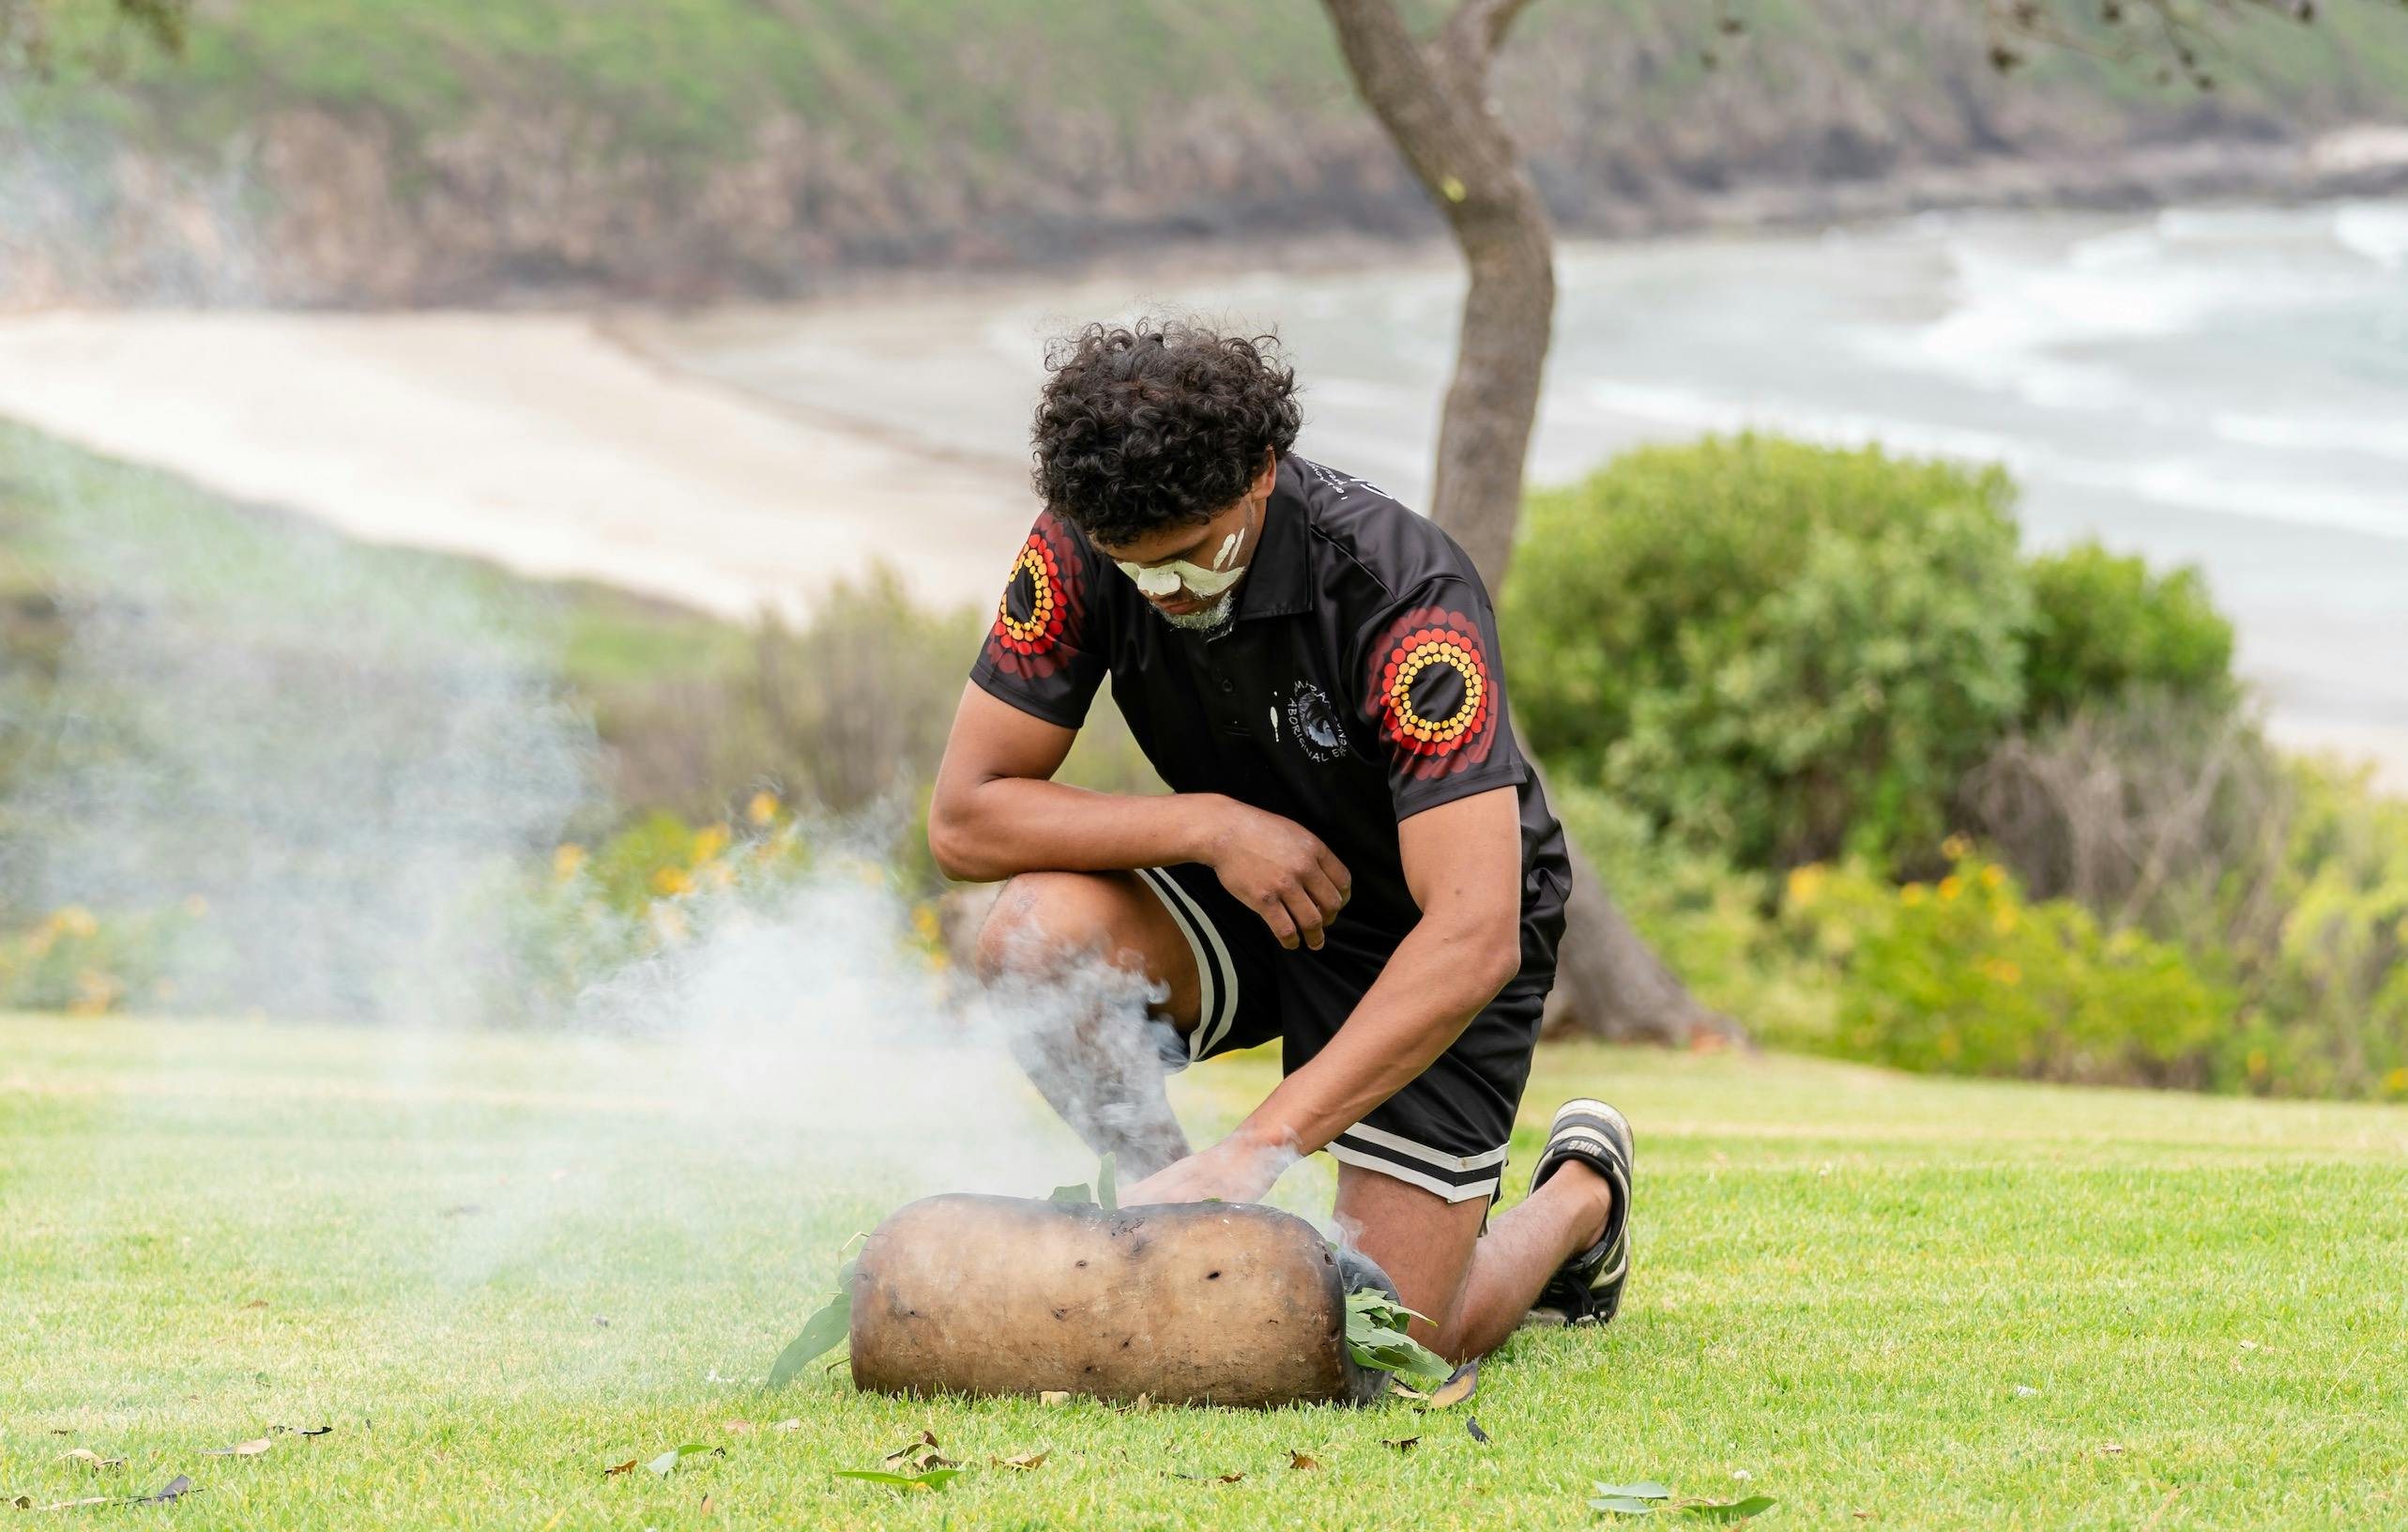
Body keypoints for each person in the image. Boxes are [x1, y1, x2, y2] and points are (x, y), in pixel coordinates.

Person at [927, 318, 1633, 1361]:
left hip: (1420, 930)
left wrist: (1258, 1144)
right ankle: (1178, 1237)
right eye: (1140, 573)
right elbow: (965, 815)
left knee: (1391, 1335)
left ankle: (1582, 1198)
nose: (1170, 596)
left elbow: (1477, 929)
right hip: (1249, 890)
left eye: (1192, 560)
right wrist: (1207, 826)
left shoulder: (1405, 598)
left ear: (1262, 472)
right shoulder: (1079, 541)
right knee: (1031, 937)